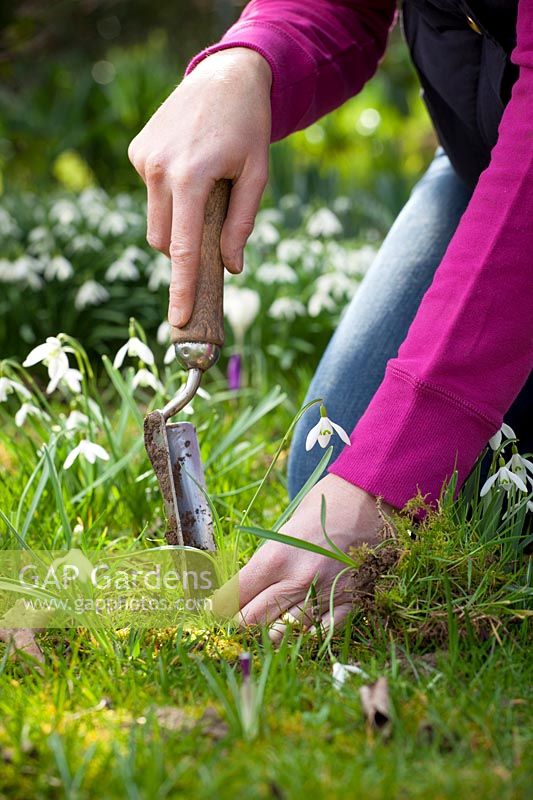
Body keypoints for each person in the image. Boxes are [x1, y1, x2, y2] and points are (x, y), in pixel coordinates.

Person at [128, 0, 533, 635]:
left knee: (447, 493)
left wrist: (388, 473)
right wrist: (248, 61)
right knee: (328, 463)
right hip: (484, 155)